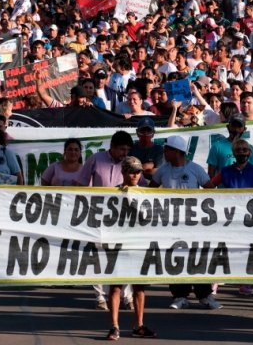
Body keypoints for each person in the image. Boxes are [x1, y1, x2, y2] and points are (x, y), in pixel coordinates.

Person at [149, 135, 221, 310]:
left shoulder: (196, 169)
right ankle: (180, 296)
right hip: (171, 225)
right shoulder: (162, 171)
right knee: (176, 259)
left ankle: (205, 295)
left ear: (177, 152)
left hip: (194, 225)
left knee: (198, 258)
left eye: (167, 150)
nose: (164, 152)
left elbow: (210, 190)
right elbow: (150, 190)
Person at [74, 130, 138, 310]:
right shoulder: (95, 159)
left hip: (124, 218)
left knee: (125, 256)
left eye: (127, 149)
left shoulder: (131, 163)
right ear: (112, 147)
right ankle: (100, 297)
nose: (125, 153)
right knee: (99, 257)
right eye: (121, 149)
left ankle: (127, 297)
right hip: (98, 216)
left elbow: (142, 187)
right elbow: (81, 185)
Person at [210, 138, 253, 296]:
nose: (241, 153)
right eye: (238, 151)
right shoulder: (225, 171)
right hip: (229, 216)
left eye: (244, 150)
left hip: (251, 218)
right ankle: (215, 281)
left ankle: (246, 283)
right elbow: (208, 186)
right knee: (223, 248)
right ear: (233, 153)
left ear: (250, 153)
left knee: (249, 250)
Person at [106, 156, 157, 340]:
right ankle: (114, 326)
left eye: (138, 171)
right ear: (124, 172)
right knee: (116, 287)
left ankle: (139, 324)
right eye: (132, 171)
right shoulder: (114, 192)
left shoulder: (146, 193)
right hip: (119, 243)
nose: (135, 175)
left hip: (139, 244)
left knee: (139, 287)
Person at [206, 113, 253, 179]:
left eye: (239, 126)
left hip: (245, 188)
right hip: (224, 189)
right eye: (234, 126)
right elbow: (211, 175)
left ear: (244, 129)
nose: (236, 130)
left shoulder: (250, 148)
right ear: (228, 127)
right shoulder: (217, 147)